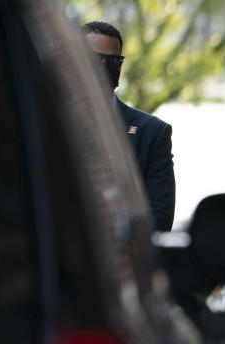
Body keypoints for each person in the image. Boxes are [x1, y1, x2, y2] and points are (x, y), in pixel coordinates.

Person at [84, 21, 176, 231]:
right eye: (94, 59)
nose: (103, 67)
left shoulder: (152, 132)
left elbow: (159, 218)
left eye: (113, 61)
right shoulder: (42, 120)